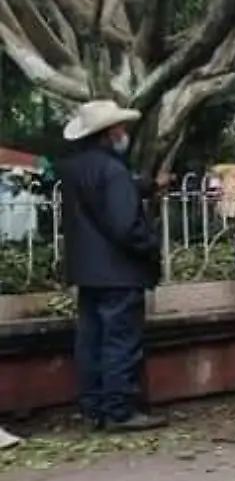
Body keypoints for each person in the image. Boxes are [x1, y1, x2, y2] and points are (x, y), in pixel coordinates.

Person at [58, 100, 166, 431]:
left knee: (91, 340)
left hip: (87, 272)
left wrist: (146, 186)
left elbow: (102, 198)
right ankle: (120, 410)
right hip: (119, 271)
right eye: (120, 128)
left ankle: (94, 409)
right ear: (108, 133)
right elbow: (124, 224)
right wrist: (150, 245)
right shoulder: (114, 170)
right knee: (120, 341)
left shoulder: (75, 168)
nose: (124, 134)